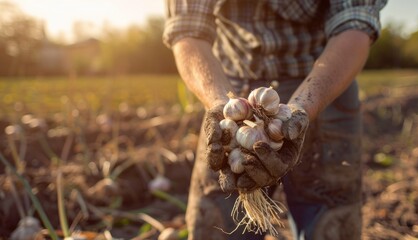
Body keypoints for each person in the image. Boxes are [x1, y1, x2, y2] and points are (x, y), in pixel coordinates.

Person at [163, 0, 387, 239]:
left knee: (330, 226)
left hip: (325, 84)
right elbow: (187, 32)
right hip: (227, 83)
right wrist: (221, 104)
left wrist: (300, 109)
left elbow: (353, 26)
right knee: (217, 224)